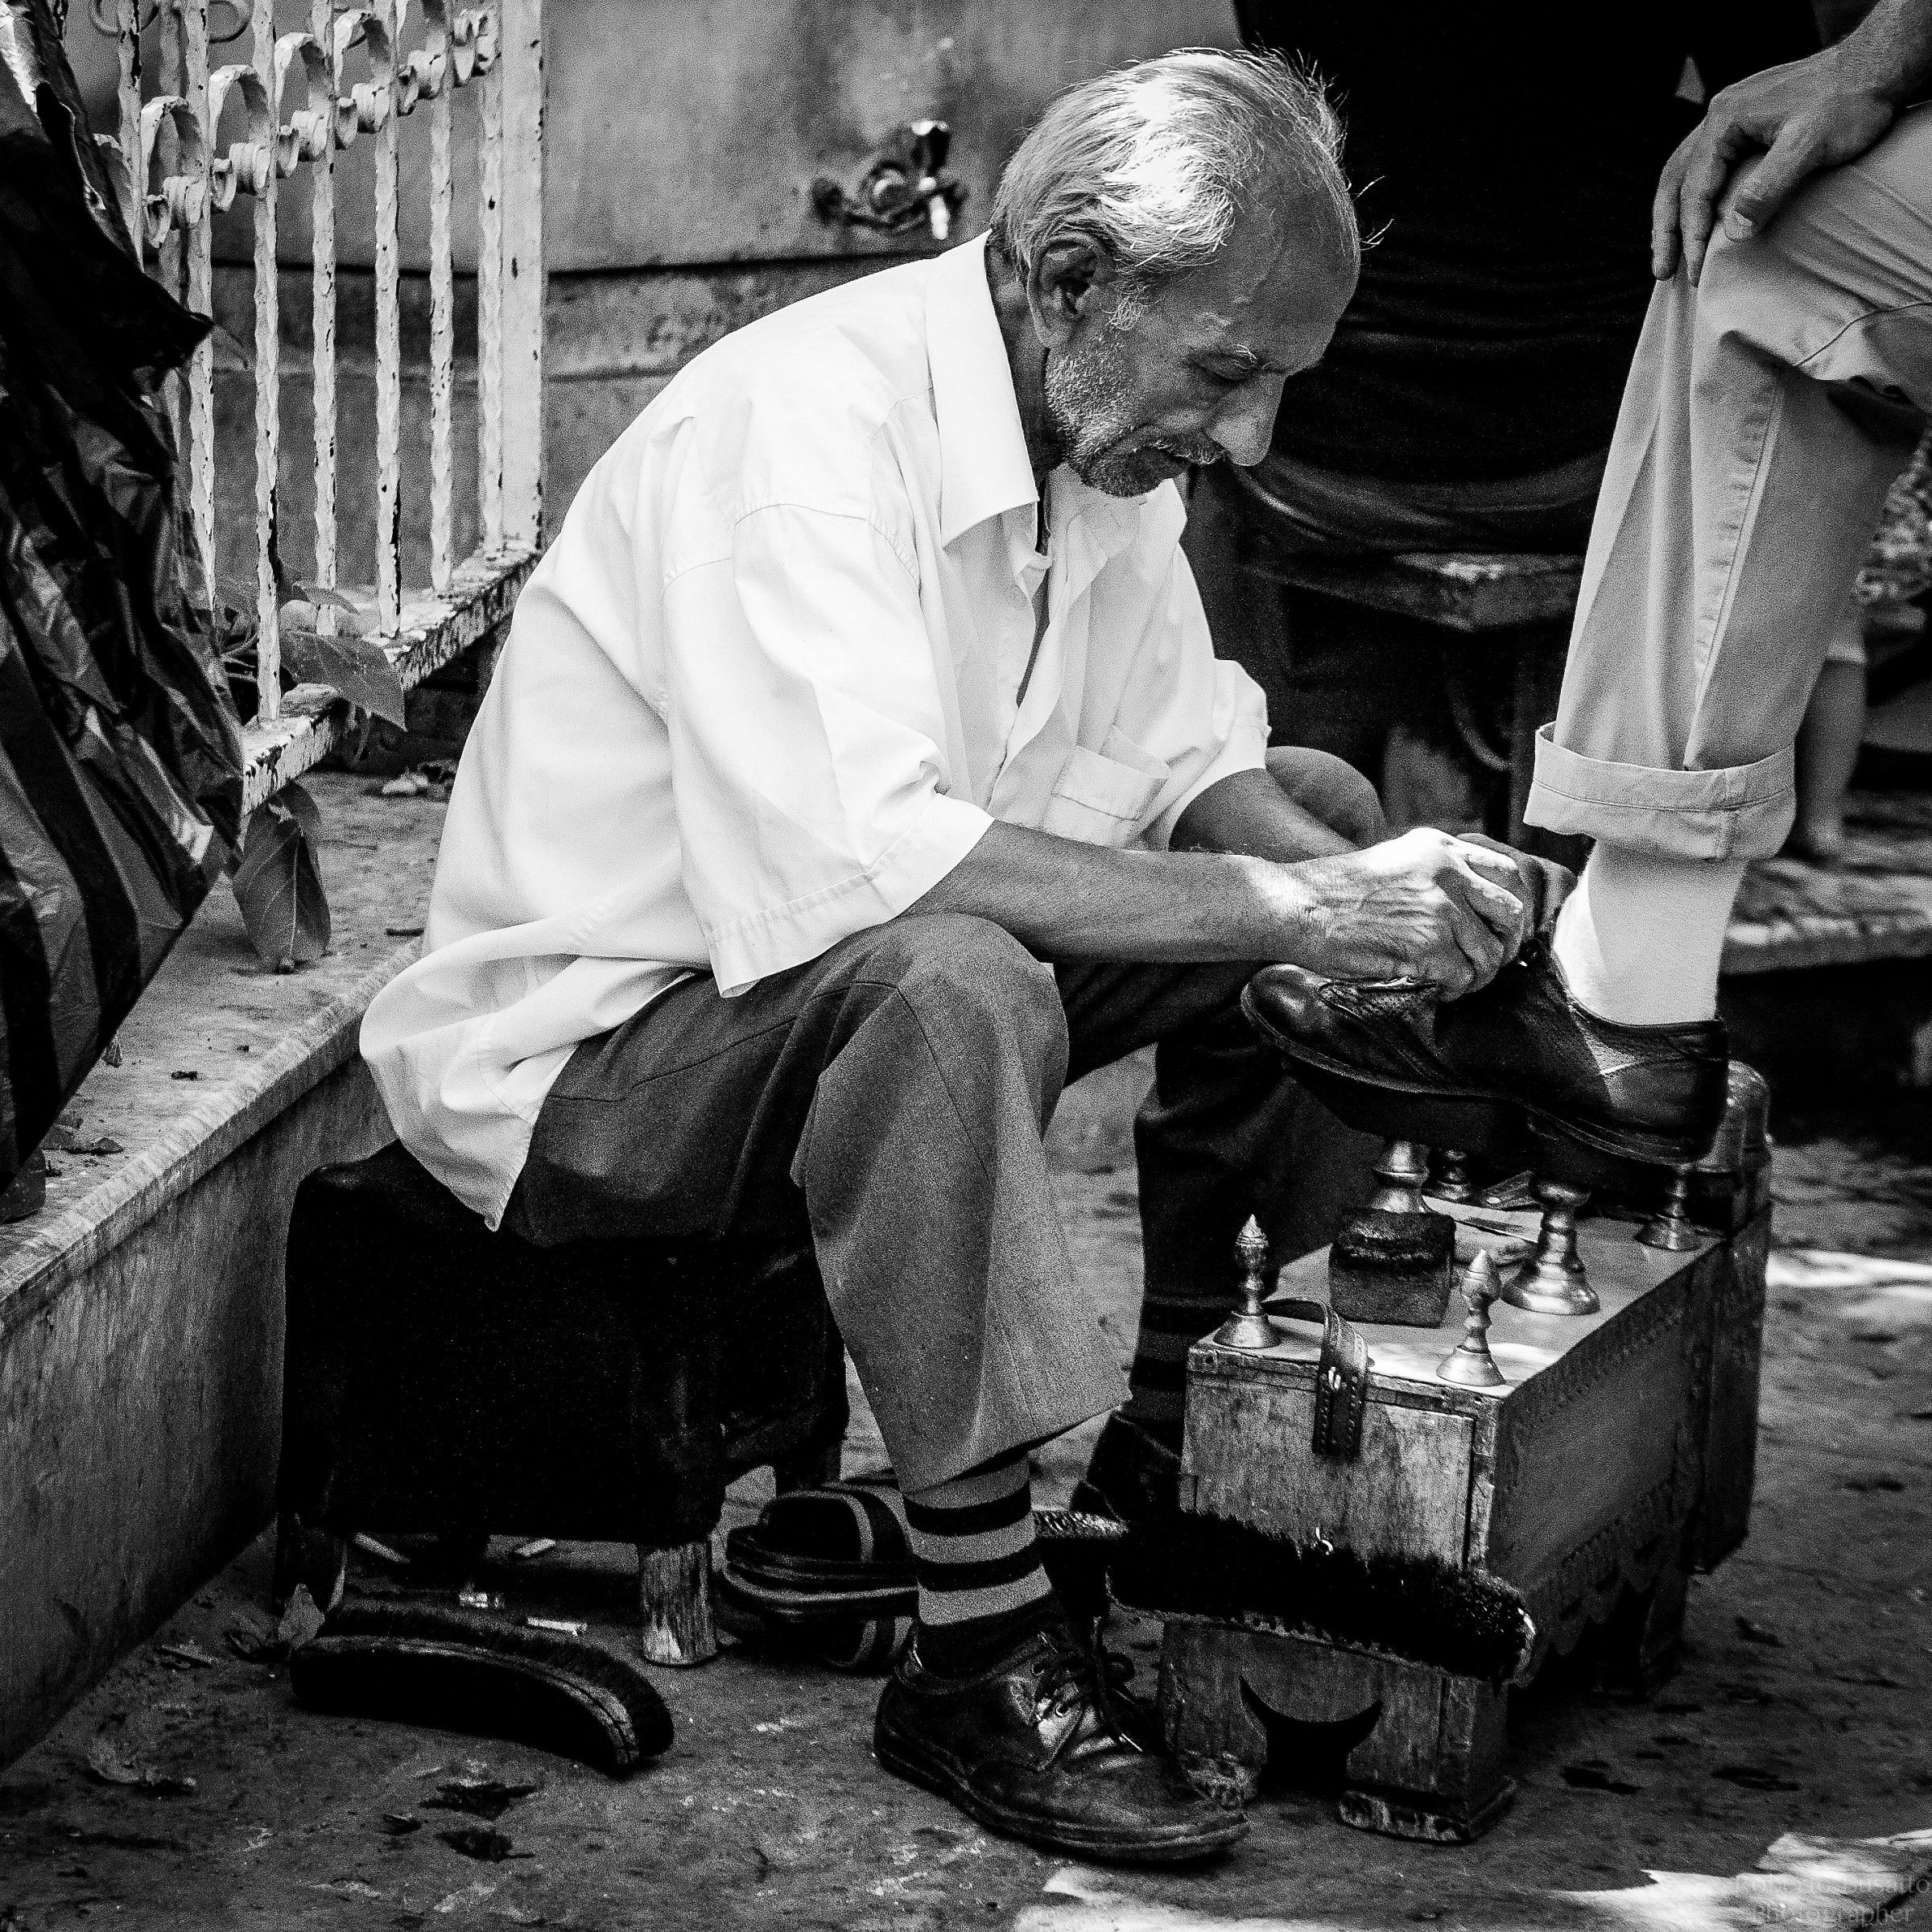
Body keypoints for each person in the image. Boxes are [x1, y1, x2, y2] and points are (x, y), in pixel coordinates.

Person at [361, 50, 1568, 1863]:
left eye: (1275, 390)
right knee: (959, 982)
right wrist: (1301, 908)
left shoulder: (1093, 440)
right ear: (1066, 280)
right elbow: (863, 872)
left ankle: (1183, 1465)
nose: (1246, 443)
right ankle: (981, 1649)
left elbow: (1188, 772)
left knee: (1304, 794)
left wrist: (1388, 898)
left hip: (808, 1003)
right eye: (1226, 375)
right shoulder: (797, 439)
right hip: (587, 1071)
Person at [1246, 2, 1932, 1170]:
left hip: (1326, 443)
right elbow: (1767, 70)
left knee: (1777, 226)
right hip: (1559, 430)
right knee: (1774, 219)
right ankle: (1627, 992)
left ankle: (1630, 996)